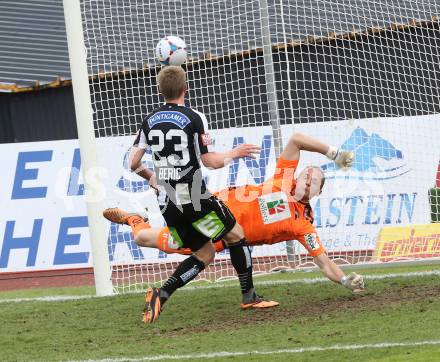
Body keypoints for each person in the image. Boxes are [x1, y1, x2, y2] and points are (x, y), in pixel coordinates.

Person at [104, 131, 365, 295]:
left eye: (314, 182)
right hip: (210, 208)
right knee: (165, 190)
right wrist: (334, 154)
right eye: (307, 174)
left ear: (318, 192)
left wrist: (345, 281)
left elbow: (324, 262)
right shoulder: (285, 179)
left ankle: (135, 220)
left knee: (144, 239)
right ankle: (148, 183)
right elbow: (297, 139)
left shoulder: (303, 224)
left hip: (220, 236)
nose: (308, 180)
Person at [125, 65, 277, 324]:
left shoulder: (149, 120)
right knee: (236, 234)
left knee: (205, 253)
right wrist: (233, 154)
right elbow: (210, 162)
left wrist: (153, 178)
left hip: (167, 202)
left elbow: (133, 162)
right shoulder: (194, 117)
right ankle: (249, 296)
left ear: (160, 90)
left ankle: (162, 293)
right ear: (186, 88)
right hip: (194, 197)